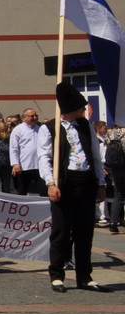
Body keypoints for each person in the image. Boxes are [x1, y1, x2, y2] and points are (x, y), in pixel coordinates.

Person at [37, 82, 109, 292]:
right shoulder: (49, 128)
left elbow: (95, 157)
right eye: (81, 107)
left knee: (85, 231)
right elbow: (44, 158)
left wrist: (101, 183)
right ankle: (57, 275)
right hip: (63, 183)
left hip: (86, 181)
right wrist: (50, 182)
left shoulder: (85, 126)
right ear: (71, 108)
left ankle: (85, 276)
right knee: (61, 230)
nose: (84, 110)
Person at [10, 108, 42, 195]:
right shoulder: (18, 129)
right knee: (22, 191)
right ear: (24, 117)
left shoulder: (40, 129)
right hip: (24, 166)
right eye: (32, 116)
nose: (35, 117)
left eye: (36, 116)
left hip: (39, 166)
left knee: (43, 190)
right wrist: (15, 163)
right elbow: (13, 148)